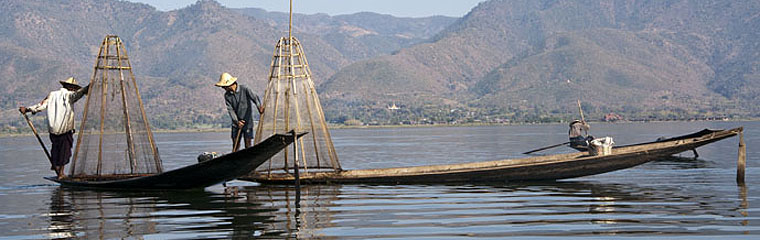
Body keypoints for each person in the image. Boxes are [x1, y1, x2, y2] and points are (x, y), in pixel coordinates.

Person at [19, 77, 89, 179]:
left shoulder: (52, 95)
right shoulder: (69, 95)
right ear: (70, 87)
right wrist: (88, 87)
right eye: (74, 88)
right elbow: (79, 94)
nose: (74, 90)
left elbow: (41, 106)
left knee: (56, 149)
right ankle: (61, 173)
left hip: (53, 130)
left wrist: (28, 109)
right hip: (65, 129)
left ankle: (56, 167)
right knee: (65, 151)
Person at [215, 72, 263, 152]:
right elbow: (230, 110)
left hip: (248, 122)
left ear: (229, 84)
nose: (223, 88)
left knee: (248, 144)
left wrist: (259, 107)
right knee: (235, 144)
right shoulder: (227, 96)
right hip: (236, 124)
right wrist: (237, 122)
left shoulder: (245, 89)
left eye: (224, 86)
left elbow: (255, 98)